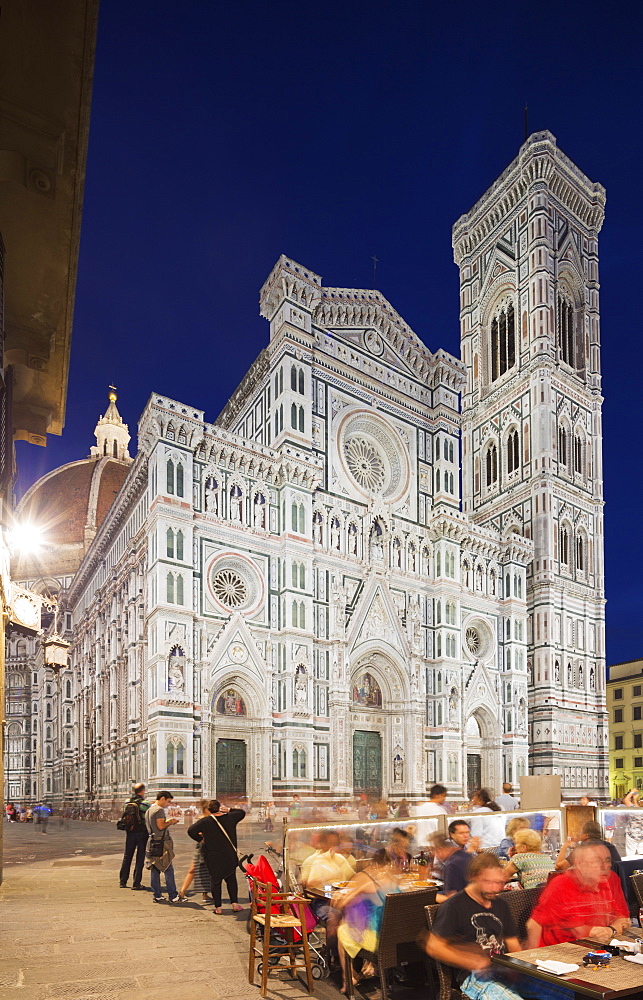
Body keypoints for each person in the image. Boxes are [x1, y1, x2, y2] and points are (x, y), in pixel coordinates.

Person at [426, 853, 573, 1000]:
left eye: (499, 883)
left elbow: (512, 943)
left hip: (505, 968)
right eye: (488, 882)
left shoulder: (500, 904)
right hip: (474, 975)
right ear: (473, 877)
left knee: (565, 993)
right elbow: (434, 946)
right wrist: (469, 960)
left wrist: (522, 964)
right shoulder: (454, 906)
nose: (495, 888)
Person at [526, 841, 630, 947]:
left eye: (607, 861)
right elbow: (534, 924)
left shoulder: (612, 879)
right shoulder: (561, 885)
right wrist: (531, 958)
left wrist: (610, 930)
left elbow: (624, 919)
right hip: (563, 950)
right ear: (579, 864)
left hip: (599, 947)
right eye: (596, 862)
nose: (604, 867)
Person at [335, 853, 401, 993]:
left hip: (379, 943)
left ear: (375, 866)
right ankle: (372, 966)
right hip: (399, 940)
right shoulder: (399, 884)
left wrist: (339, 896)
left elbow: (341, 904)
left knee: (342, 930)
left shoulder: (370, 885)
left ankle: (349, 978)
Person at [187, 798, 246, 914]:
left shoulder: (205, 821)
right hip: (229, 855)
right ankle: (234, 904)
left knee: (215, 881)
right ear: (219, 807)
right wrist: (229, 809)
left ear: (208, 810)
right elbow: (242, 813)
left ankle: (218, 908)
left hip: (213, 856)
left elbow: (191, 831)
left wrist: (201, 839)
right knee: (231, 879)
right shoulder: (230, 817)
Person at [145, 790, 182, 903]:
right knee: (168, 868)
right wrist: (171, 822)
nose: (168, 804)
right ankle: (173, 896)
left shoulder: (150, 809)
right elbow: (161, 826)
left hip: (152, 841)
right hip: (161, 843)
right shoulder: (159, 810)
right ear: (162, 799)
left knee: (155, 868)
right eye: (168, 801)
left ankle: (157, 895)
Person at [179, 799, 213, 902]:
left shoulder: (211, 819)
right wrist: (202, 837)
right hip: (201, 847)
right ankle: (182, 892)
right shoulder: (202, 819)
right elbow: (193, 832)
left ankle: (205, 894)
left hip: (210, 847)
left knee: (207, 870)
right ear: (205, 809)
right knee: (192, 869)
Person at [435, 821, 479, 901]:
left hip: (464, 886)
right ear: (452, 835)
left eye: (467, 832)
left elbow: (475, 865)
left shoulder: (468, 845)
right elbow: (455, 867)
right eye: (461, 833)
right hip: (443, 884)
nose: (466, 836)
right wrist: (470, 852)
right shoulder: (446, 846)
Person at [555, 820, 621, 871]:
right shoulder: (611, 847)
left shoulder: (583, 848)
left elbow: (559, 867)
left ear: (586, 835)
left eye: (581, 832)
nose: (579, 834)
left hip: (592, 886)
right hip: (612, 885)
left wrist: (565, 845)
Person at [118, 782, 150, 890]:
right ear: (142, 791)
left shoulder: (127, 802)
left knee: (127, 856)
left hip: (130, 832)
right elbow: (148, 817)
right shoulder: (146, 803)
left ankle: (123, 881)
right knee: (140, 857)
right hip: (142, 833)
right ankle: (136, 883)